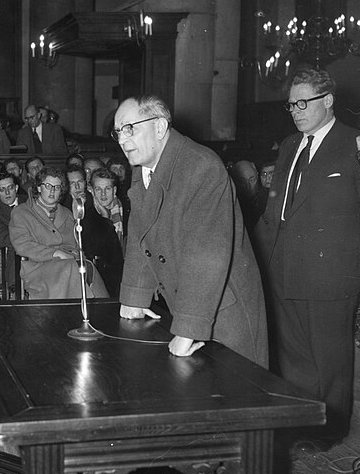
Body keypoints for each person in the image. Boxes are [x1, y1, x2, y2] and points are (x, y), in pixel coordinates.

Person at [256, 68, 360, 447]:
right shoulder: (291, 144)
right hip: (283, 266)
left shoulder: (356, 143)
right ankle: (302, 423)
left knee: (328, 360)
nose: (295, 110)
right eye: (291, 104)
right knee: (293, 356)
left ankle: (329, 430)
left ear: (328, 101)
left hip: (330, 272)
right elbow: (276, 211)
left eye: (303, 102)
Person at [113, 95, 268, 366]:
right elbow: (140, 233)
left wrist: (187, 328)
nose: (123, 141)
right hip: (188, 304)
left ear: (159, 127)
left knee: (235, 399)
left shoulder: (201, 167)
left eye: (130, 128)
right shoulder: (144, 166)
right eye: (118, 133)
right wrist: (134, 296)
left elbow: (205, 257)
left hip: (221, 312)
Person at [9, 166, 108, 300]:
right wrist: (55, 253)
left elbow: (75, 245)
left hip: (67, 263)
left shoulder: (66, 213)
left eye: (57, 187)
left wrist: (71, 254)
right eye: (48, 186)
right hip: (37, 266)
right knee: (73, 269)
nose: (52, 191)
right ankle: (72, 313)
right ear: (38, 187)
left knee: (87, 266)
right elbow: (23, 245)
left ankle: (98, 311)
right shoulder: (22, 212)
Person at [82, 168, 125, 298]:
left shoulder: (127, 210)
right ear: (91, 191)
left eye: (107, 188)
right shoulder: (87, 217)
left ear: (115, 190)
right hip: (105, 278)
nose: (103, 194)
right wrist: (105, 219)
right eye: (98, 189)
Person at [0, 172, 27, 296]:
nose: (7, 193)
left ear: (17, 188)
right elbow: (3, 238)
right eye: (2, 190)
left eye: (10, 188)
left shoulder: (30, 202)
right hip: (11, 248)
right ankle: (14, 288)